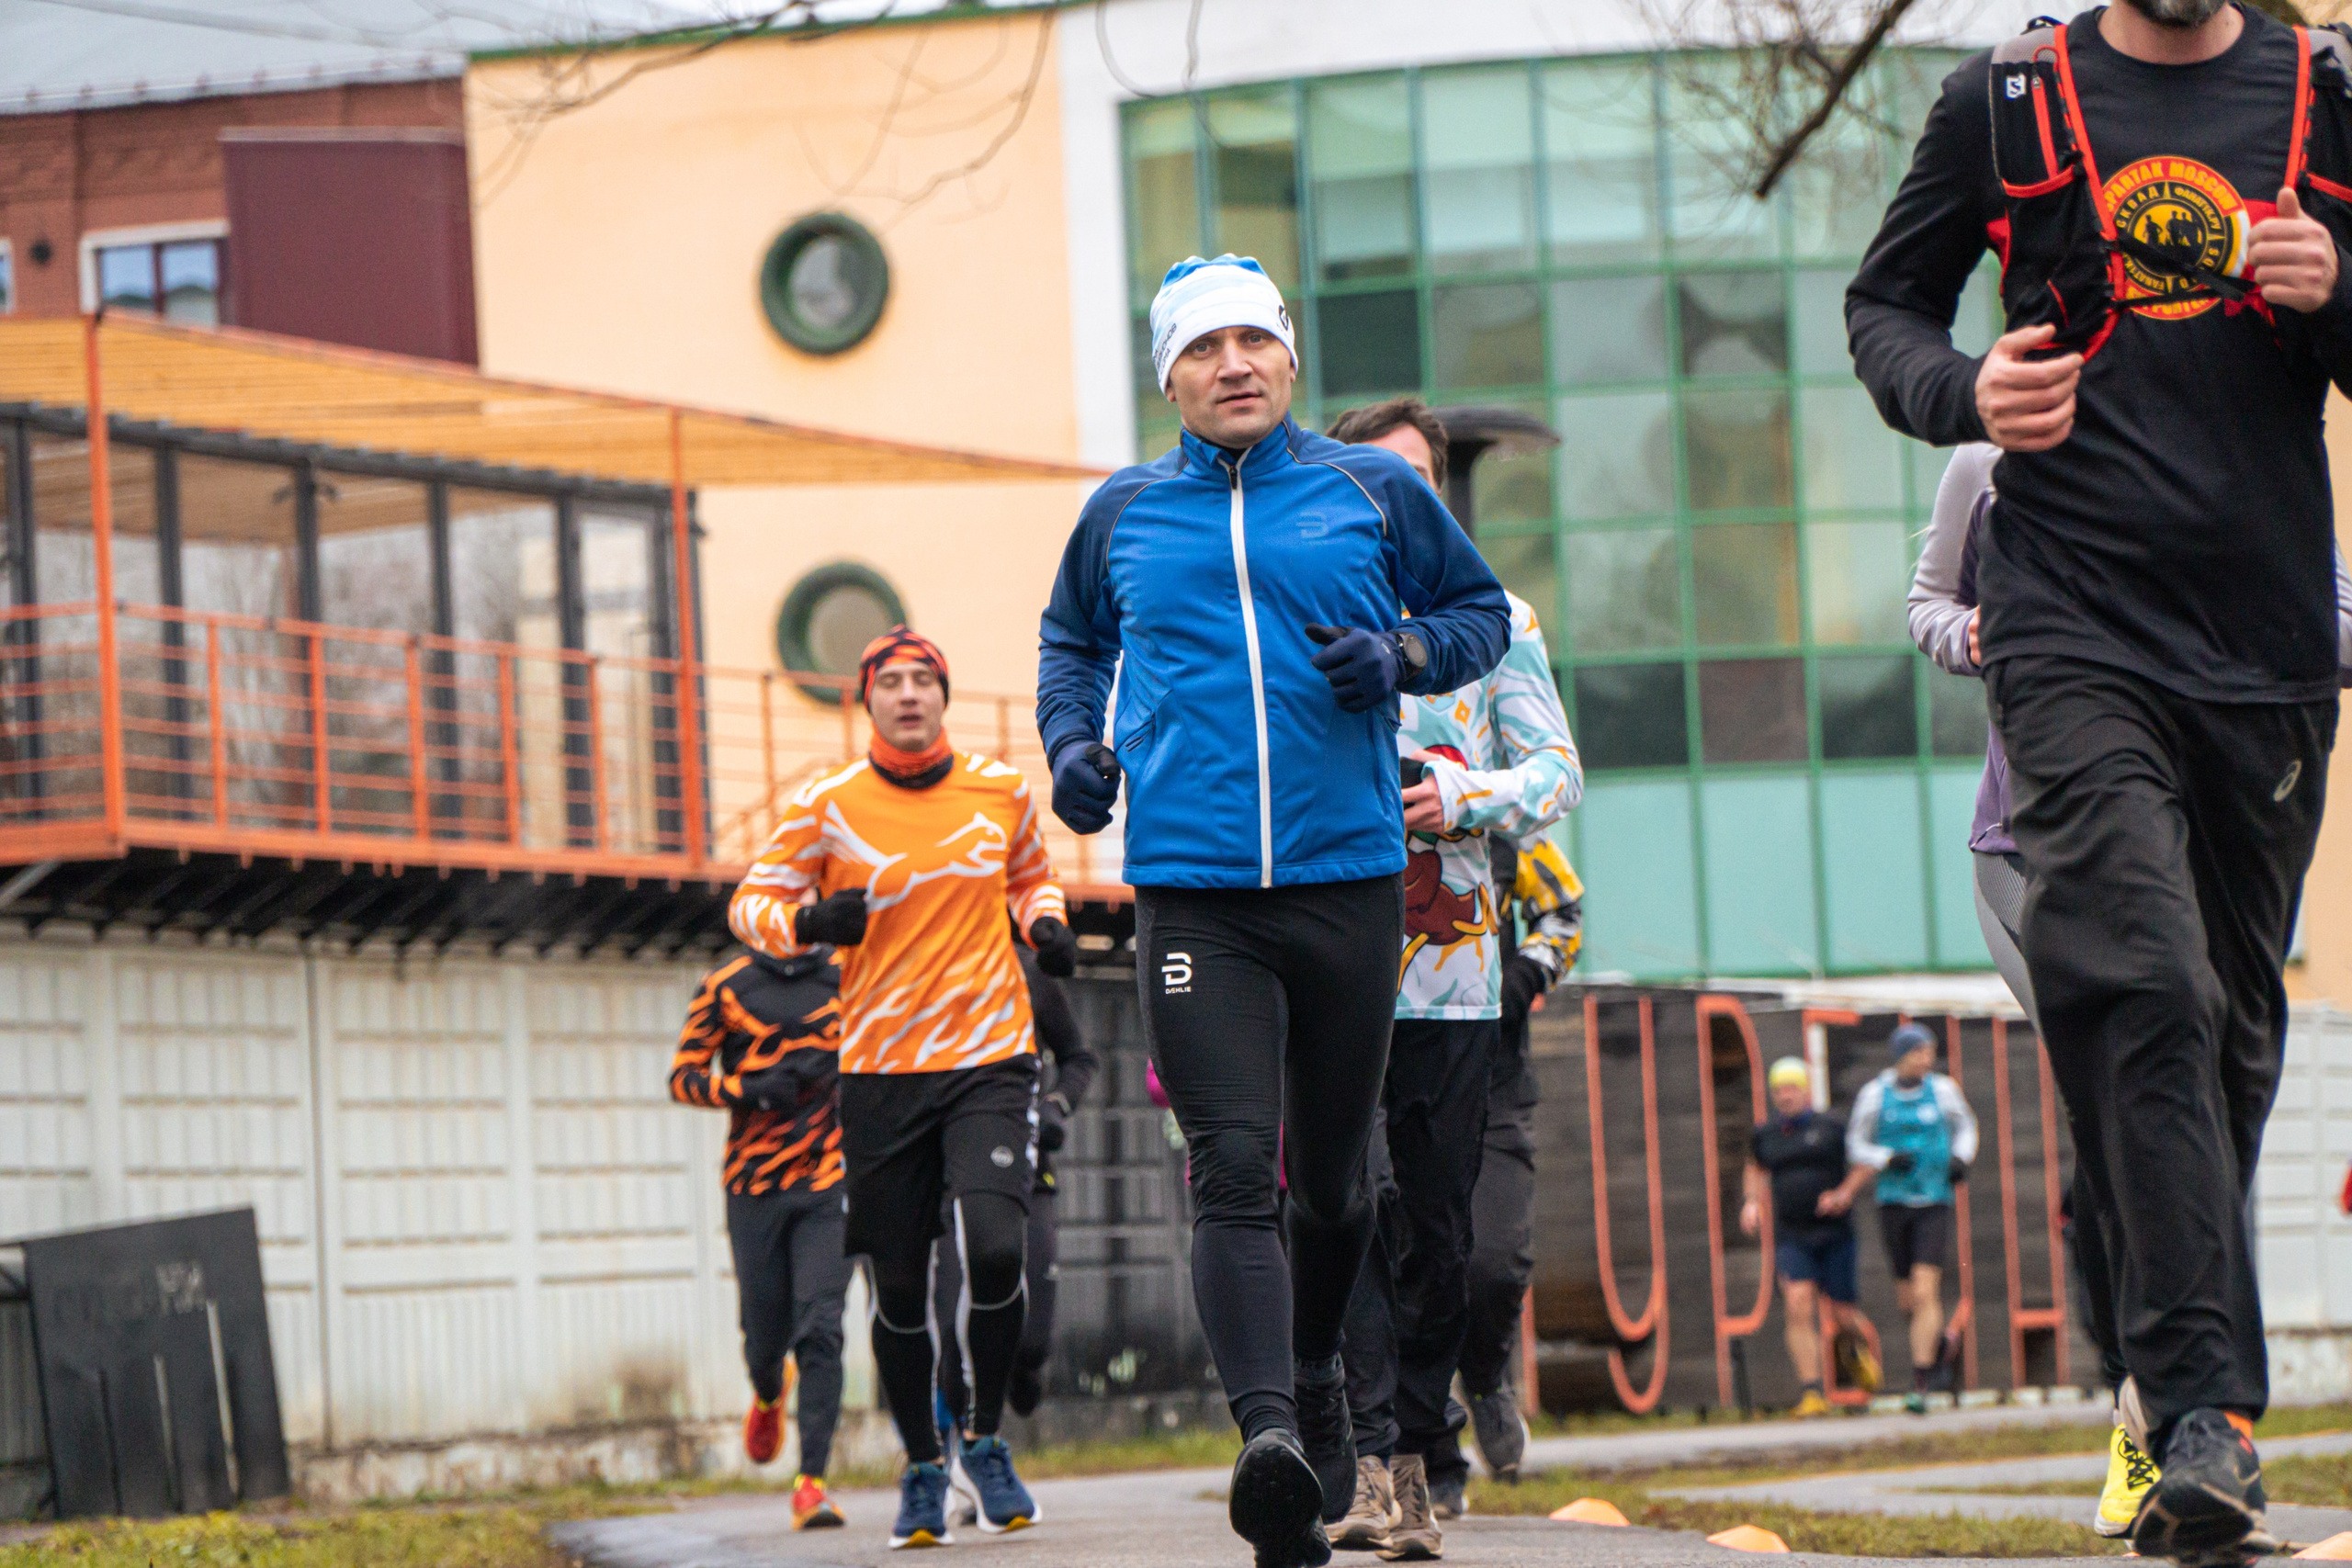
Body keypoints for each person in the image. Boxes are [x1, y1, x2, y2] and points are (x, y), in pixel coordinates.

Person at [1852, 0, 2352, 1548]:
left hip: (2267, 645)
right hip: (2070, 626)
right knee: (2144, 984)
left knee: (2229, 1035)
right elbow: (1888, 311)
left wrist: (2342, 293)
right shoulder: (2005, 97)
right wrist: (1964, 397)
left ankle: (2170, 1376)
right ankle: (2204, 1420)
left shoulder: (2330, 97)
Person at [1037, 254, 1510, 1568]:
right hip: (1193, 891)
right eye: (1202, 348)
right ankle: (1271, 1446)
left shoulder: (1373, 489)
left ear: (1290, 360)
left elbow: (1478, 615)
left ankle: (1309, 1374)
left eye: (1254, 340)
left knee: (1338, 1189)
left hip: (1347, 878)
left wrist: (1402, 655)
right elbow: (1069, 640)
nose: (1231, 364)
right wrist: (1074, 745)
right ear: (1170, 377)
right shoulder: (1124, 512)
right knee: (1234, 1170)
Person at [1910, 442, 2352, 1532]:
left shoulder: (2228, 446)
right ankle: (2159, 1410)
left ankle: (2160, 1408)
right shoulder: (1986, 463)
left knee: (2189, 1105)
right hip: (2026, 853)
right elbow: (1925, 603)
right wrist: (1977, 633)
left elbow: (2337, 612)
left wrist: (2241, 637)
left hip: (2195, 847)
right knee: (2123, 1099)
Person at [731, 626, 1078, 1551]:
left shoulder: (999, 789)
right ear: (867, 698)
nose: (910, 694)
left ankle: (988, 1439)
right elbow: (749, 902)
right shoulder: (826, 803)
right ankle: (925, 1466)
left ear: (945, 696)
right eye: (892, 681)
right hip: (882, 1069)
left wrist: (1045, 928)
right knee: (896, 1284)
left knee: (998, 1251)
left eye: (925, 679)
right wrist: (809, 918)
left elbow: (1032, 879)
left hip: (990, 1058)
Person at [1315, 397, 1580, 1562]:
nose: (1399, 499)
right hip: (1323, 958)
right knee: (1346, 1215)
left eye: (1418, 478)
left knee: (1437, 1227)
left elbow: (1556, 769)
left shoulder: (1500, 616)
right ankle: (1376, 1464)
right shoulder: (1298, 601)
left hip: (1456, 972)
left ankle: (1422, 1441)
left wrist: (1461, 798)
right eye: (1376, 479)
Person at [668, 946, 852, 1531]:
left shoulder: (851, 973)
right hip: (754, 1187)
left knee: (821, 1326)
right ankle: (768, 1392)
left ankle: (812, 1484)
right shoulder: (724, 985)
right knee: (765, 1335)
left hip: (830, 1178)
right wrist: (745, 1089)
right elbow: (683, 1078)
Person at [932, 939, 1099, 1518]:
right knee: (957, 1322)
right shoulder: (920, 967)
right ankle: (965, 1460)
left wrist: (1056, 1106)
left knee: (1030, 1339)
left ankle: (1023, 1369)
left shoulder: (1028, 972)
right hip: (951, 1177)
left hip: (1031, 1173)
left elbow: (1080, 1058)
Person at [1847, 1022, 1980, 1409]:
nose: (1929, 1059)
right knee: (1908, 1301)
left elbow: (1966, 1125)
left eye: (1931, 1051)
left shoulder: (1943, 1090)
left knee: (1926, 1291)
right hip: (1893, 1202)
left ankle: (1921, 1383)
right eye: (1921, 1052)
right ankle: (1939, 1346)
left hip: (1934, 1200)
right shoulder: (1875, 1094)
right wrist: (1885, 1158)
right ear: (1903, 1055)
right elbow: (1856, 1143)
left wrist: (1961, 1157)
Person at [1743, 1057, 1877, 1416]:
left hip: (1835, 1233)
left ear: (1805, 1090)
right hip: (1793, 1235)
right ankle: (1812, 1391)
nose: (1785, 1097)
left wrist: (1843, 1194)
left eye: (1791, 1089)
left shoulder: (1832, 1127)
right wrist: (1753, 1202)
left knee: (1843, 1313)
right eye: (1778, 1091)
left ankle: (1856, 1351)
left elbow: (1865, 1163)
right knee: (1798, 1304)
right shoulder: (1765, 1134)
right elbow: (1755, 1167)